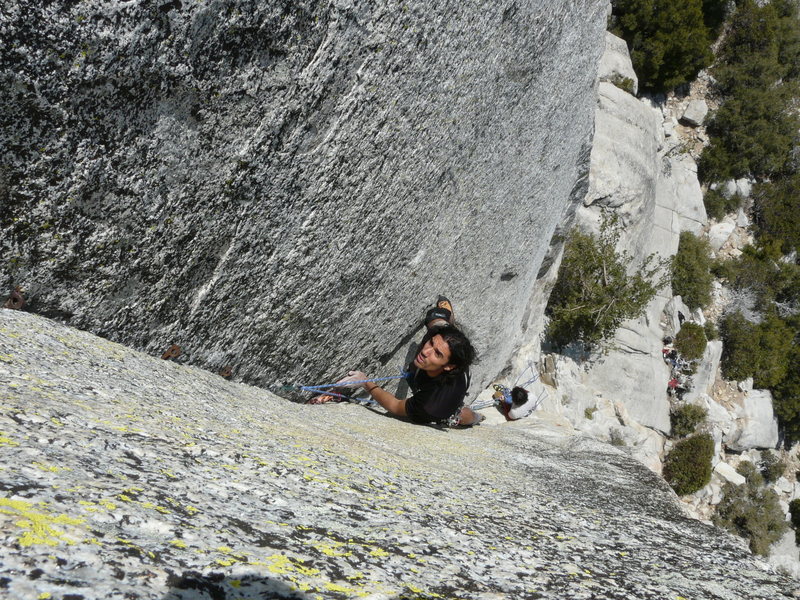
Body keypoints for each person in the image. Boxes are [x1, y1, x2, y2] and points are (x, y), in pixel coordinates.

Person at [321, 297, 483, 427]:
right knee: (436, 317)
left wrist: (365, 382)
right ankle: (448, 320)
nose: (426, 351)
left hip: (447, 404)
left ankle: (478, 418)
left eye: (437, 353)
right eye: (431, 343)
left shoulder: (431, 405)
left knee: (461, 415)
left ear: (449, 365)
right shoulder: (440, 344)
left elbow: (395, 405)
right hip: (437, 367)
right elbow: (437, 333)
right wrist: (440, 322)